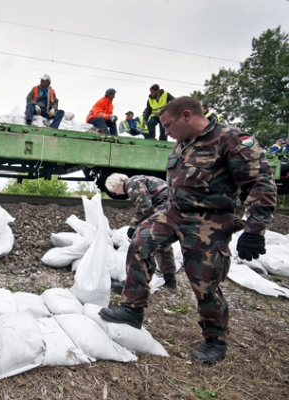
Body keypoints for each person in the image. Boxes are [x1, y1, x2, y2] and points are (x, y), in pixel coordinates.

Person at [100, 97, 276, 364]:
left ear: (186, 116)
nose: (167, 132)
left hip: (208, 220)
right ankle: (132, 309)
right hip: (173, 211)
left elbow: (260, 183)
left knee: (204, 281)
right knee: (139, 243)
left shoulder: (231, 140)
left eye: (168, 126)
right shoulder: (181, 143)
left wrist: (254, 230)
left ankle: (215, 340)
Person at [104, 173, 176, 289]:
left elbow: (144, 207)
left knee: (141, 244)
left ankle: (134, 283)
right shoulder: (139, 180)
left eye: (114, 190)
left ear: (118, 183)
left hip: (165, 209)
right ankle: (170, 280)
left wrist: (133, 228)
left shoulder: (132, 184)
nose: (116, 193)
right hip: (171, 208)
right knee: (163, 243)